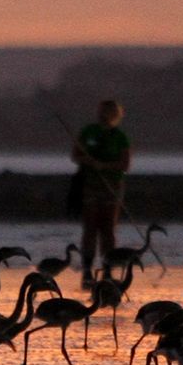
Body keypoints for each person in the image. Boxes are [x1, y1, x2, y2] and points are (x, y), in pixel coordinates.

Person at [71, 98, 131, 288]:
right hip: (90, 185)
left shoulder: (120, 137)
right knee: (90, 228)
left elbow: (125, 164)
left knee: (108, 230)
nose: (105, 116)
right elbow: (76, 155)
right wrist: (89, 161)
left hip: (112, 186)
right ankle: (87, 271)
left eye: (110, 113)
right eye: (102, 112)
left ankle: (107, 271)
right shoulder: (89, 132)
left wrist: (104, 166)